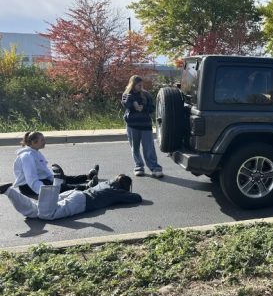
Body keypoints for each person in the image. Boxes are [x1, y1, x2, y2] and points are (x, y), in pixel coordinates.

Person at [0, 175, 142, 220]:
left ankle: (9, 191)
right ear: (123, 186)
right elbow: (137, 198)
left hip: (75, 194)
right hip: (81, 202)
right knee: (48, 214)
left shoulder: (106, 184)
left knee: (35, 211)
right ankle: (57, 183)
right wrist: (126, 191)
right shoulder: (116, 191)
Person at [14, 131, 99, 198]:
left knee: (63, 178)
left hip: (40, 180)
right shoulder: (27, 156)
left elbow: (46, 171)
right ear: (33, 142)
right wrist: (45, 191)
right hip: (27, 187)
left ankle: (88, 177)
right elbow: (31, 179)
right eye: (42, 140)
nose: (45, 142)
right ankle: (86, 187)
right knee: (59, 187)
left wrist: (55, 179)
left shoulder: (36, 152)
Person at [122, 75, 163, 178]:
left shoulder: (146, 95)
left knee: (149, 148)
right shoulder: (127, 95)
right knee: (135, 148)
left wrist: (143, 108)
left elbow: (152, 108)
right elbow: (125, 105)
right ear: (133, 84)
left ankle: (155, 168)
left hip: (145, 125)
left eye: (141, 84)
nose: (141, 86)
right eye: (138, 85)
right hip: (132, 125)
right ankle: (139, 167)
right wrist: (133, 105)